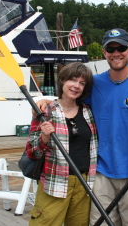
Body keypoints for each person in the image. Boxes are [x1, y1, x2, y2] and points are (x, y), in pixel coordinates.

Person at [35, 29, 128, 225]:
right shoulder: (94, 83)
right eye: (111, 48)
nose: (116, 53)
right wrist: (47, 101)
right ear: (104, 52)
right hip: (101, 172)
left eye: (121, 47)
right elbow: (71, 100)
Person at [26, 62, 97, 226]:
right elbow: (31, 152)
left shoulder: (88, 111)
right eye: (73, 80)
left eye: (82, 83)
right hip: (54, 182)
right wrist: (44, 137)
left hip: (83, 183)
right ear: (63, 81)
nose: (76, 86)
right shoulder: (46, 111)